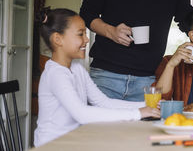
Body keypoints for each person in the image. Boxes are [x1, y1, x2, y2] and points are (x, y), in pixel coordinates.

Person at [34, 8, 160, 147]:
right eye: (80, 34)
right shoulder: (55, 74)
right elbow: (82, 113)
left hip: (72, 142)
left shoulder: (76, 69)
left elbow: (103, 102)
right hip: (52, 146)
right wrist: (138, 113)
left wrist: (147, 105)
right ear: (58, 39)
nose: (87, 39)